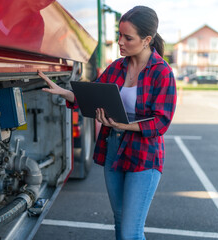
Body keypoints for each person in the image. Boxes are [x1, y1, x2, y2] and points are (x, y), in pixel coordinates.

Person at [38, 5, 177, 240]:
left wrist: (124, 126)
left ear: (147, 40)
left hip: (144, 156)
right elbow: (92, 98)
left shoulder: (161, 72)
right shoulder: (117, 67)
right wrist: (64, 92)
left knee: (131, 232)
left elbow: (160, 123)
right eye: (119, 35)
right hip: (114, 149)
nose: (120, 42)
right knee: (120, 224)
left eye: (127, 37)